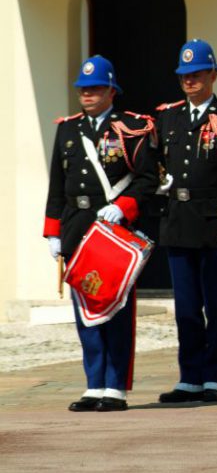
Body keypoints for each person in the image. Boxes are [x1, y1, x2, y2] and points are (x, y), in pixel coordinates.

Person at [44, 55, 158, 411]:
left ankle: (115, 386)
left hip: (112, 228)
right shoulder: (67, 129)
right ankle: (94, 384)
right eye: (83, 89)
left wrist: (123, 207)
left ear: (111, 91)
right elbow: (57, 185)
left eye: (94, 89)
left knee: (116, 307)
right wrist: (53, 230)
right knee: (86, 308)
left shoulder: (132, 128)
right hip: (77, 225)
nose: (87, 95)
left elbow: (147, 179)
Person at [155, 40, 217, 404]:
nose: (190, 81)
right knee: (185, 306)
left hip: (216, 224)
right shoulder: (167, 117)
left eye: (197, 74)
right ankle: (189, 376)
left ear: (213, 75)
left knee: (216, 305)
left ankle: (213, 377)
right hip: (179, 222)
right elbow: (153, 162)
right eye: (185, 75)